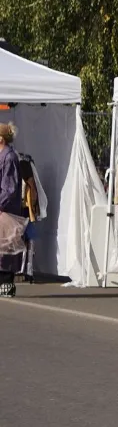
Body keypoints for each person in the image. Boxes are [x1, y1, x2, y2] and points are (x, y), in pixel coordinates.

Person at [0, 123, 23, 297]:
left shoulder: (9, 158)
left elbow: (9, 189)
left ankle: (6, 286)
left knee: (6, 248)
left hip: (6, 210)